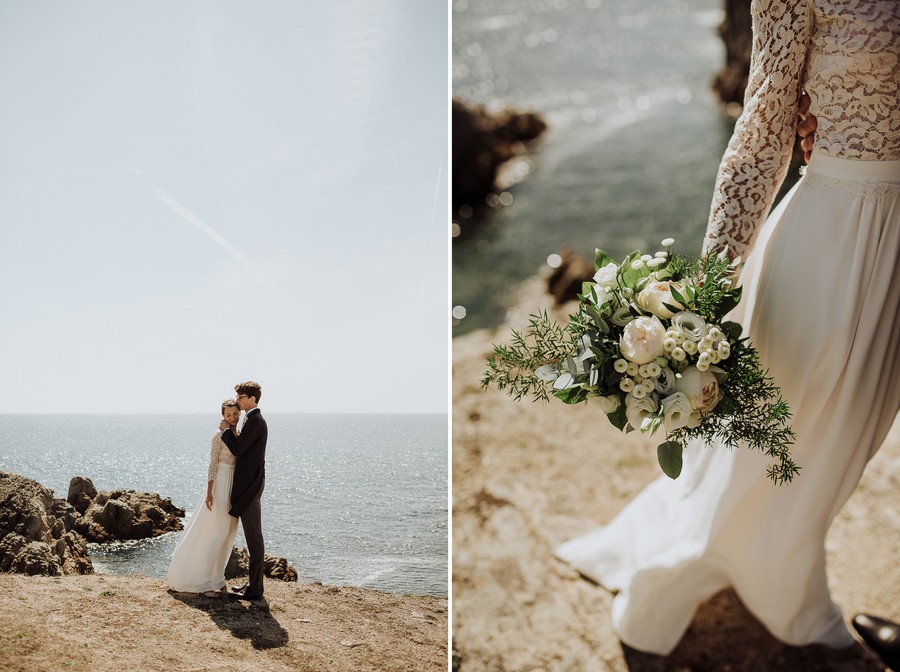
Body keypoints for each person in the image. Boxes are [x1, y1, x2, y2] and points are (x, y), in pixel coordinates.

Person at [556, 2, 899, 670]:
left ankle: (786, 574)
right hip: (830, 244)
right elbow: (763, 129)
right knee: (783, 447)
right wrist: (705, 294)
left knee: (845, 446)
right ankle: (786, 595)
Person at [167, 399, 240, 596]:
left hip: (234, 487)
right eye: (228, 415)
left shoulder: (237, 435)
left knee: (228, 534)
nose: (232, 417)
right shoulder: (218, 435)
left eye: (235, 414)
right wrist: (209, 492)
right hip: (221, 485)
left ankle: (218, 580)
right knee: (215, 533)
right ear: (222, 416)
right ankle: (202, 582)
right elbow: (212, 464)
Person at [220, 381, 268, 600]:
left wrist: (226, 432)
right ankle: (253, 585)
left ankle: (256, 590)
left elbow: (239, 450)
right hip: (251, 485)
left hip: (250, 488)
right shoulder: (252, 420)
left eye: (240, 397)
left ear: (252, 399)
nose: (237, 400)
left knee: (254, 539)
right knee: (253, 538)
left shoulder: (256, 421)